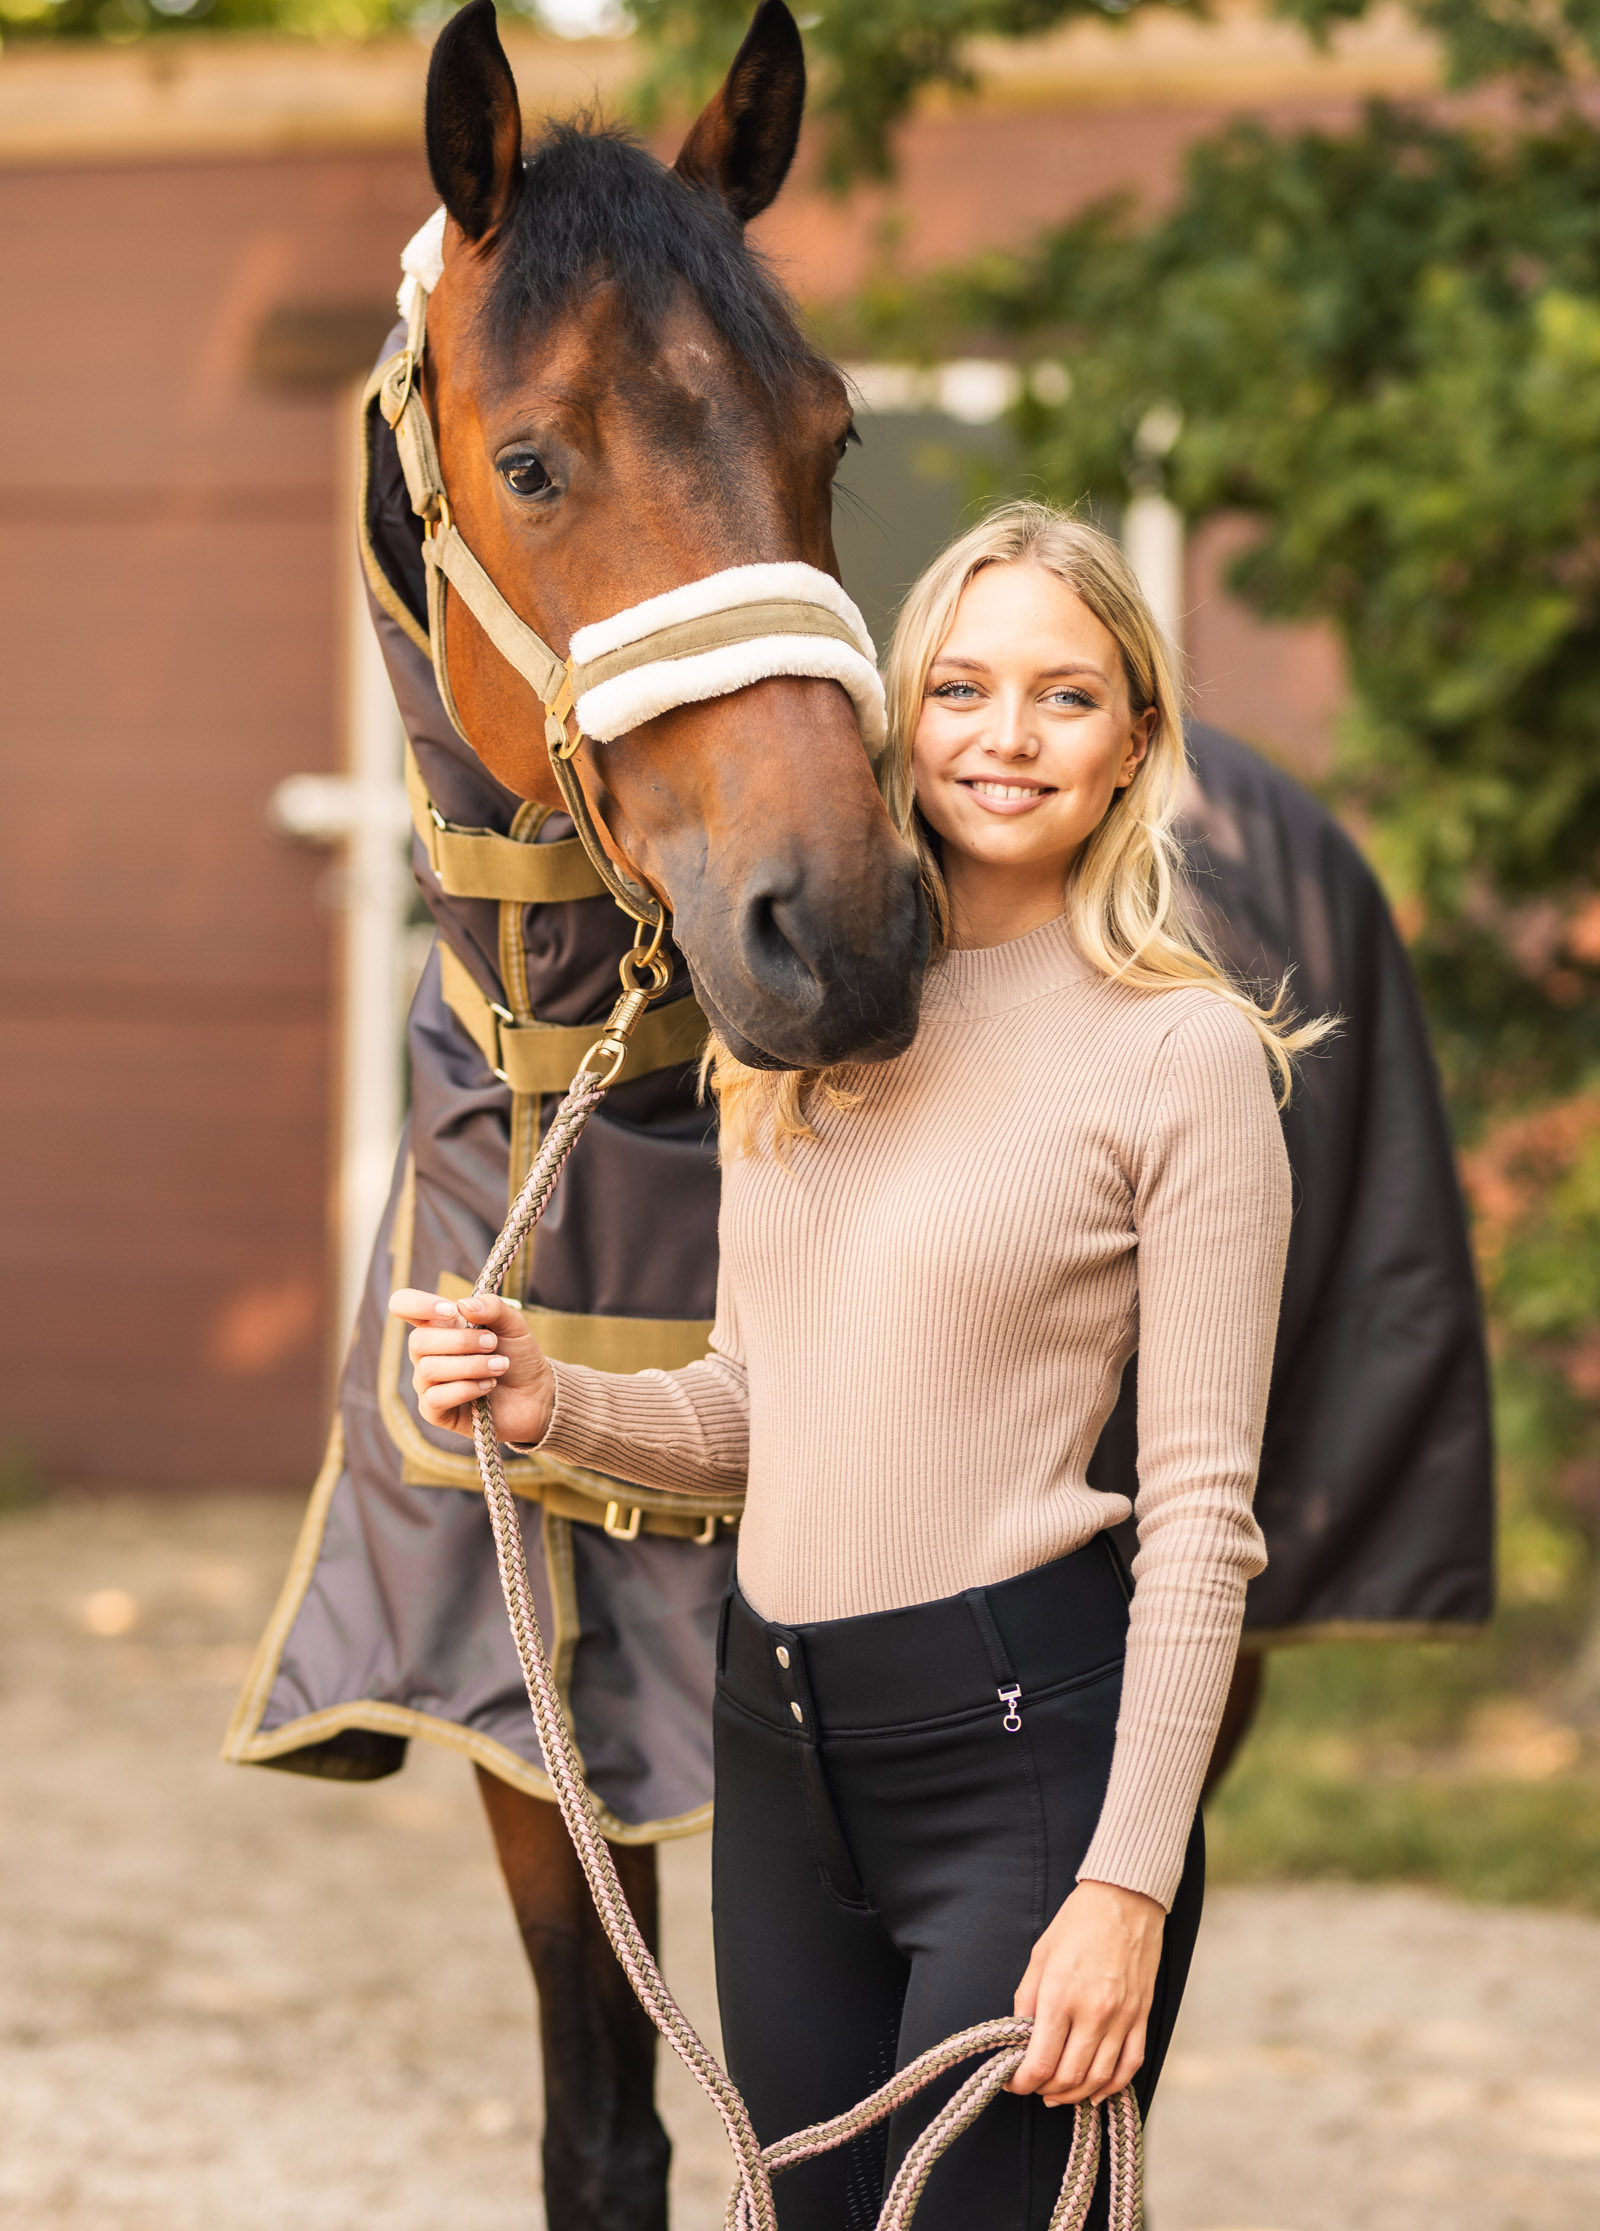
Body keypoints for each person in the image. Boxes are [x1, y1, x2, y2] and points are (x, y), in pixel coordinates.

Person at [393, 501, 1321, 2229]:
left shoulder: (1182, 1055)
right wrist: (553, 1402)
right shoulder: (804, 1037)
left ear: (1134, 745)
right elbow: (766, 1407)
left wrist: (1127, 1885)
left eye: (1065, 697)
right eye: (964, 689)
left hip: (1029, 1758)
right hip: (785, 1748)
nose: (1008, 738)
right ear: (905, 717)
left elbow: (1202, 1520)